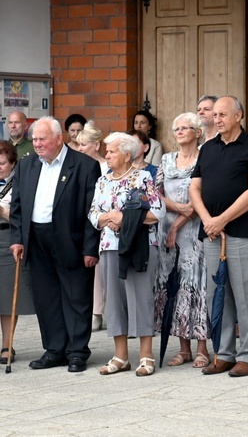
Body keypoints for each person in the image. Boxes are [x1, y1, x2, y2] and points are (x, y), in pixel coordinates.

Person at [9, 117, 101, 373]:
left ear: (58, 138)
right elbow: (17, 207)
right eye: (35, 139)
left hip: (71, 239)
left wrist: (90, 248)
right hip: (35, 238)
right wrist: (17, 239)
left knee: (76, 295)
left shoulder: (84, 165)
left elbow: (92, 211)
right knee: (46, 297)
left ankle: (77, 351)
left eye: (42, 139)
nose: (36, 144)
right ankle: (54, 349)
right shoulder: (26, 166)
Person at [189, 96, 248, 377]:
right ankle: (223, 353)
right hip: (212, 234)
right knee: (218, 294)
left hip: (241, 233)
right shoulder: (207, 149)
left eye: (223, 114)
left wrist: (222, 219)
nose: (217, 118)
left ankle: (247, 355)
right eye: (215, 114)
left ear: (239, 116)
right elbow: (194, 189)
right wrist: (208, 221)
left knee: (246, 296)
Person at [89, 132, 165, 376]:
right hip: (110, 246)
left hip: (139, 246)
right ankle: (121, 357)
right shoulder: (103, 181)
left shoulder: (142, 178)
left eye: (111, 151)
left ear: (127, 154)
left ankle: (146, 355)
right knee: (114, 299)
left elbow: (158, 211)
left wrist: (128, 219)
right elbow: (93, 213)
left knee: (140, 296)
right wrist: (109, 217)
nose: (107, 155)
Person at [154, 113, 210, 369]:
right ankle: (182, 348)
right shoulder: (166, 159)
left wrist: (181, 219)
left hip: (195, 228)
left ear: (198, 132)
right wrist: (177, 208)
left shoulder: (206, 158)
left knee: (197, 286)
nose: (179, 132)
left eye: (185, 127)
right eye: (176, 128)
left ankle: (202, 348)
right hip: (167, 231)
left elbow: (206, 195)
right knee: (174, 286)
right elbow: (154, 193)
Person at [0, 141, 33, 364]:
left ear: (12, 163)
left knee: (6, 295)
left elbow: (23, 216)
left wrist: (2, 211)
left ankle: (7, 346)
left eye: (2, 163)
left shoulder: (20, 184)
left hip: (6, 239)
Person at [76, 121, 108, 332]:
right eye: (78, 145)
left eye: (84, 145)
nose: (80, 149)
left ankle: (102, 312)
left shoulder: (107, 166)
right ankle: (94, 312)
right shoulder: (78, 166)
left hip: (105, 223)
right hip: (85, 222)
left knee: (104, 271)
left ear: (96, 145)